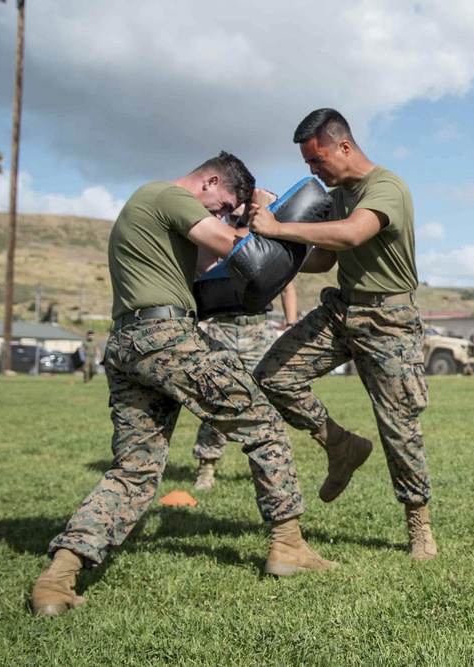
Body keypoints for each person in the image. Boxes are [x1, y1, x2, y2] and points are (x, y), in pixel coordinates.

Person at [30, 152, 336, 617]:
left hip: (128, 344)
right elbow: (236, 245)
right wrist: (263, 213)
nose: (218, 214)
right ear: (209, 182)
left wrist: (252, 221)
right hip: (165, 337)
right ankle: (288, 545)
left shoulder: (149, 214)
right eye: (219, 204)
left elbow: (218, 273)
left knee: (135, 470)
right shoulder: (168, 195)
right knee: (264, 424)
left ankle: (58, 578)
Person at [250, 108, 437, 561]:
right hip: (341, 311)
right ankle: (341, 446)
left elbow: (353, 235)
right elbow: (322, 260)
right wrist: (270, 243)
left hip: (387, 320)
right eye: (308, 165)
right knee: (273, 375)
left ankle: (419, 525)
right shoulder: (337, 195)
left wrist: (278, 227)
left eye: (318, 161)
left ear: (344, 147)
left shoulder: (385, 187)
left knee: (398, 427)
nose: (314, 172)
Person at [192, 208, 300, 489]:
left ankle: (267, 466)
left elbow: (287, 286)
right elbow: (205, 269)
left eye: (244, 212)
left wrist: (290, 324)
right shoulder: (214, 233)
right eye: (233, 213)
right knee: (218, 398)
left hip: (258, 329)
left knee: (262, 400)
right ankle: (207, 465)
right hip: (223, 328)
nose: (238, 216)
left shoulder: (266, 238)